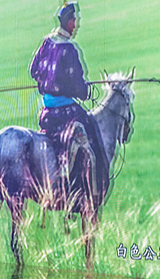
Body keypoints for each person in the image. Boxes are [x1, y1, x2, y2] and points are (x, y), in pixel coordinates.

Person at [29, 1, 109, 207]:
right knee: (91, 129)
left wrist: (48, 82)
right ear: (70, 22)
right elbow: (79, 89)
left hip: (46, 112)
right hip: (65, 111)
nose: (78, 25)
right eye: (76, 21)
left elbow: (33, 70)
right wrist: (86, 91)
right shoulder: (70, 49)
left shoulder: (46, 42)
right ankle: (91, 190)